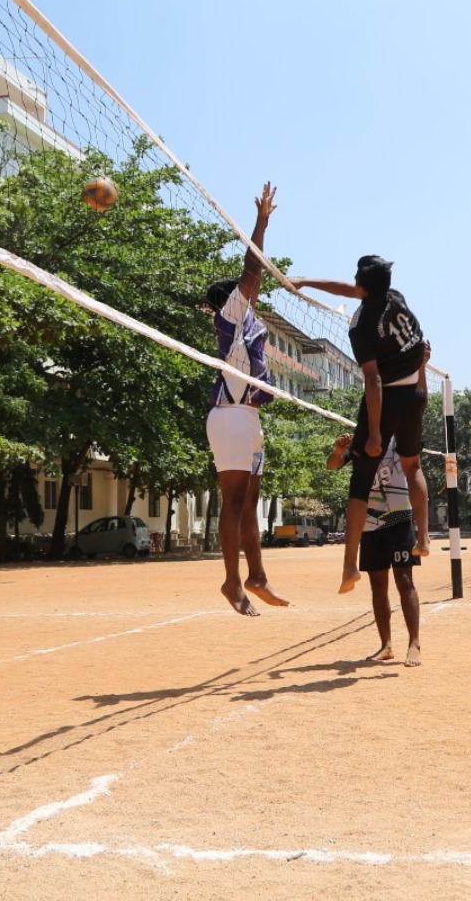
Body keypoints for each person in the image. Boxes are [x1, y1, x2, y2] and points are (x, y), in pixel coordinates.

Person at [292, 256, 430, 593]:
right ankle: (424, 538)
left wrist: (371, 434)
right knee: (413, 466)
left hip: (389, 399)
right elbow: (352, 290)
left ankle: (349, 566)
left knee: (360, 483)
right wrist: (307, 281)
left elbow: (373, 382)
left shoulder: (361, 326)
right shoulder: (395, 296)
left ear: (363, 286)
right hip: (415, 394)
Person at [205, 183, 289, 617]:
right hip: (230, 416)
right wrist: (261, 223)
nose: (251, 297)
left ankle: (256, 575)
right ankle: (232, 582)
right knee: (234, 504)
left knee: (250, 506)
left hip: (248, 419)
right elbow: (252, 270)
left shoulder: (249, 327)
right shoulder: (231, 314)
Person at [326, 431, 421, 666]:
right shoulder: (360, 441)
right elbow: (331, 465)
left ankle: (414, 643)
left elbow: (415, 468)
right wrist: (339, 451)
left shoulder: (400, 439)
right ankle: (386, 645)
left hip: (399, 518)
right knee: (377, 586)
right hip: (368, 523)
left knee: (404, 580)